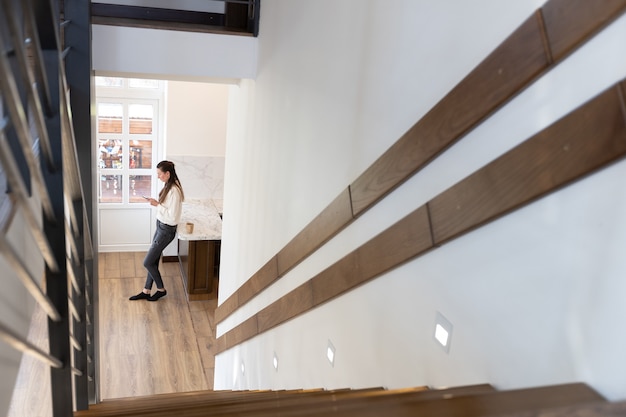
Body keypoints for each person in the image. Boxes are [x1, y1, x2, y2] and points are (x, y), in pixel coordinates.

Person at [129, 160, 184, 301]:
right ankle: (146, 291)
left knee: (147, 262)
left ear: (167, 174)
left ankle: (161, 289)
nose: (158, 176)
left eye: (160, 174)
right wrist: (158, 204)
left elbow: (172, 217)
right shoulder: (168, 186)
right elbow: (166, 209)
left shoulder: (174, 191)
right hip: (161, 226)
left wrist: (157, 205)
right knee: (153, 260)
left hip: (166, 230)